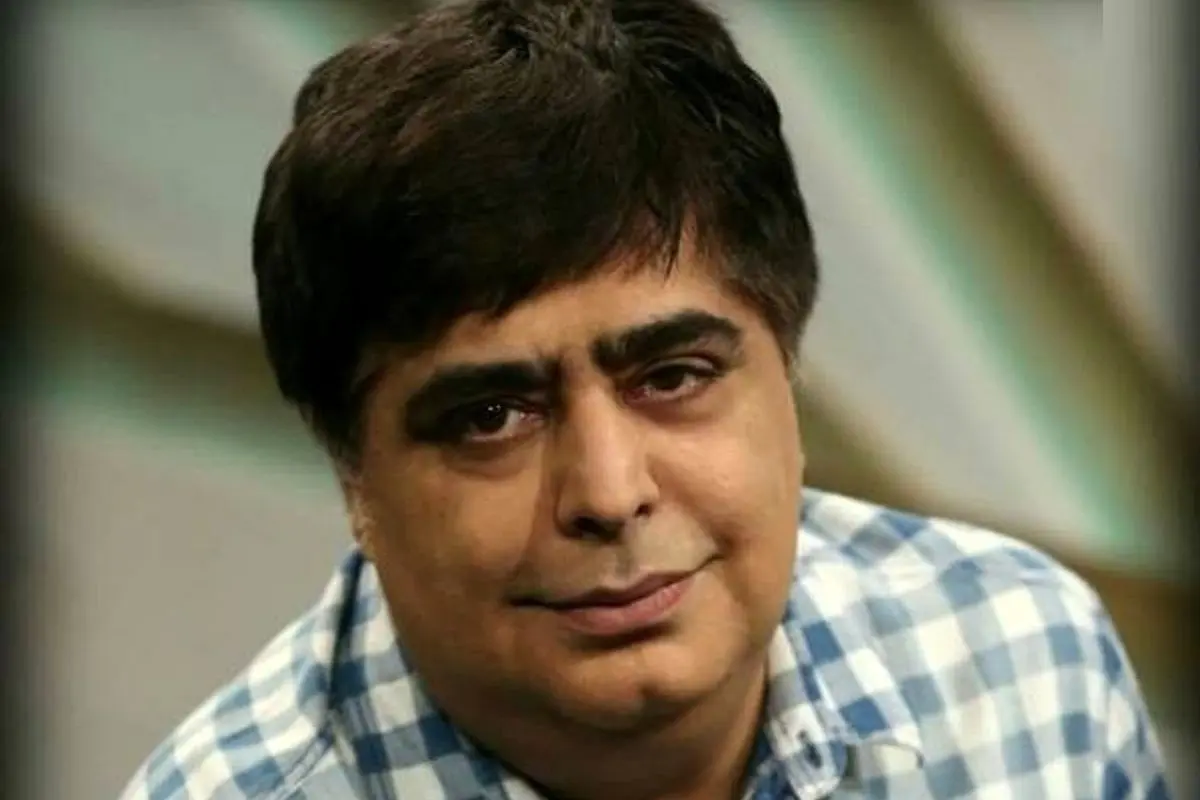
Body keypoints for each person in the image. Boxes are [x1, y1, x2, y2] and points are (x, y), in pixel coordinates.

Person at [120, 0, 1171, 797]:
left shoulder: (1022, 662)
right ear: (354, 474)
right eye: (492, 416)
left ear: (788, 379)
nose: (609, 492)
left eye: (672, 377)